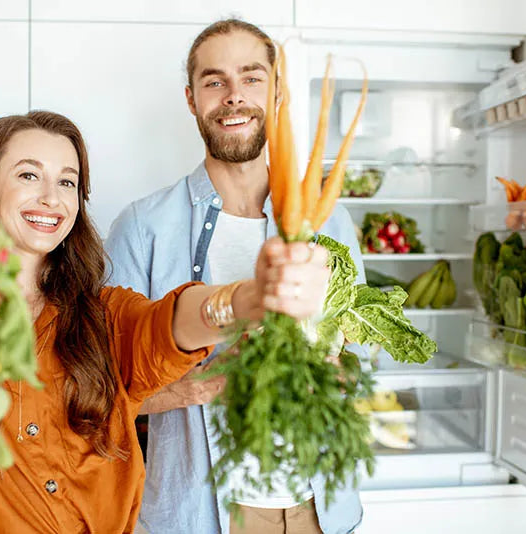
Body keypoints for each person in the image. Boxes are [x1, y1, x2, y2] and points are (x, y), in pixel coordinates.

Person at [0, 110, 332, 533]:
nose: (52, 197)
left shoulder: (106, 315)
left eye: (67, 182)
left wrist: (244, 298)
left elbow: (170, 325)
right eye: (29, 175)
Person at [105, 20, 367, 534]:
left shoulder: (329, 220)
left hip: (320, 511)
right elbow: (102, 385)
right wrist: (201, 383)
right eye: (214, 81)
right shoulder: (143, 227)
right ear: (191, 98)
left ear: (277, 92)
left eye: (251, 79)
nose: (234, 97)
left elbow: (360, 353)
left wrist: (336, 367)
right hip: (200, 515)